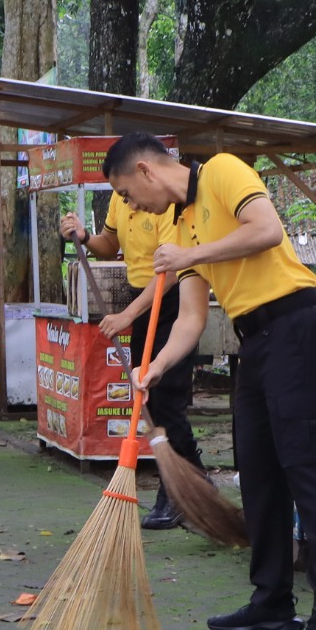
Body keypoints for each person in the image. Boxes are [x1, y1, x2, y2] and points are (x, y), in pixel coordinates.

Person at [108, 136, 316, 630]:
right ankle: (272, 602)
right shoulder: (179, 224)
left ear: (145, 170)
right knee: (259, 473)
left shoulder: (223, 171)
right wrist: (155, 366)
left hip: (297, 327)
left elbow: (266, 231)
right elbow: (191, 318)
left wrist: (189, 255)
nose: (130, 206)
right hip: (256, 345)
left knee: (306, 469)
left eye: (126, 193)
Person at [60, 187, 197, 530]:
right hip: (142, 302)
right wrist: (85, 236)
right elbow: (109, 243)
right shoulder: (121, 200)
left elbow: (169, 274)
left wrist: (126, 315)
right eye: (121, 192)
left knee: (167, 399)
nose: (128, 199)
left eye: (127, 190)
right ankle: (195, 481)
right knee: (148, 396)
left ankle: (176, 492)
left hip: (171, 301)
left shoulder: (166, 206)